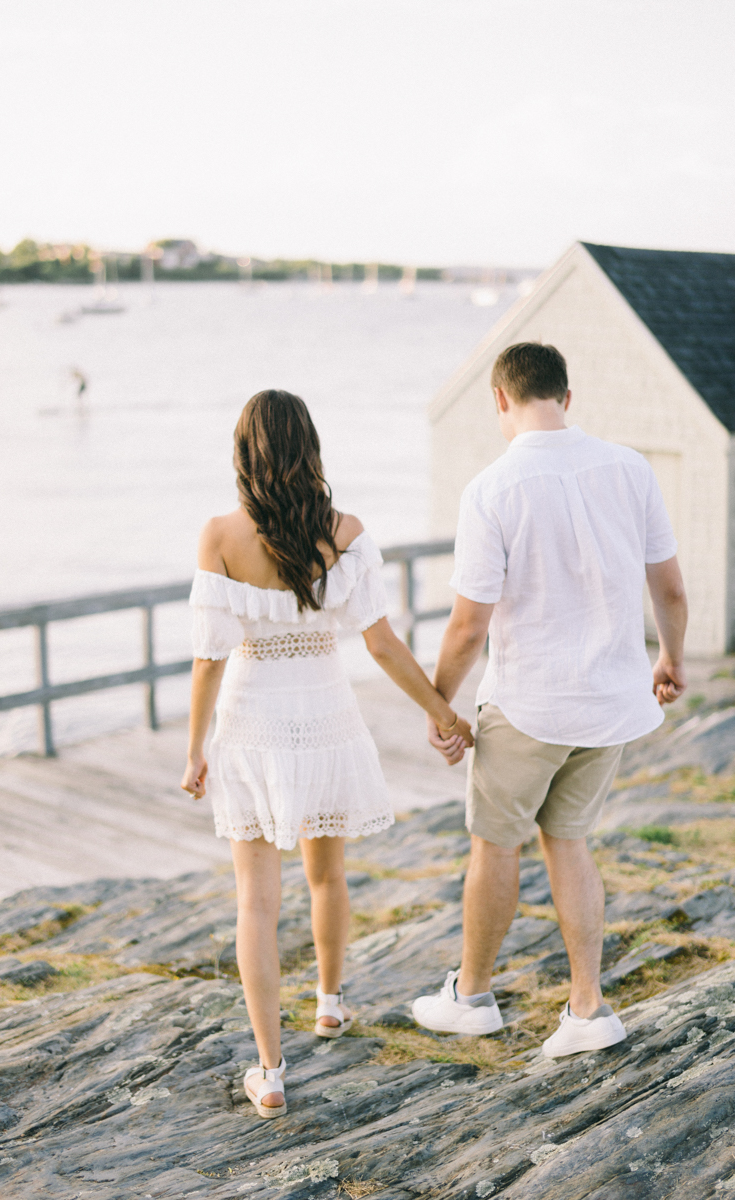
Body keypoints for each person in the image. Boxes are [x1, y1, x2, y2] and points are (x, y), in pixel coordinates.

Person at [181, 389, 473, 1117]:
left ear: (245, 453)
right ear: (309, 447)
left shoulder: (219, 534)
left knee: (256, 902)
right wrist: (442, 712)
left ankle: (272, 1074)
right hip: (326, 718)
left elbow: (209, 657)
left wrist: (194, 750)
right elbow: (380, 642)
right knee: (327, 875)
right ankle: (330, 1003)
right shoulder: (344, 531)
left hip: (252, 725)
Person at [412, 343, 688, 1057]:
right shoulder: (631, 468)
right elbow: (671, 588)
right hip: (610, 702)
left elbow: (469, 624)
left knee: (496, 842)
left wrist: (441, 706)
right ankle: (588, 1008)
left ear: (500, 400)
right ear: (568, 395)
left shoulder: (493, 489)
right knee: (569, 840)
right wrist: (671, 659)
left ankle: (471, 996)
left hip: (529, 705)